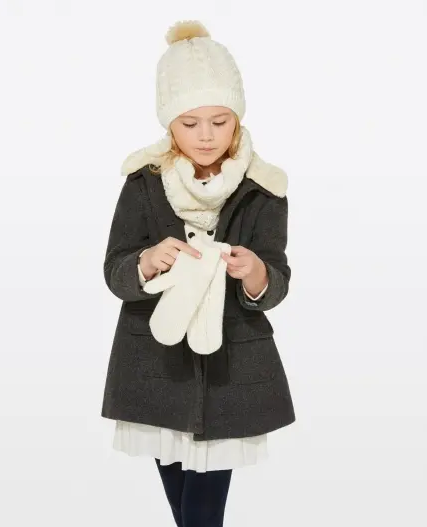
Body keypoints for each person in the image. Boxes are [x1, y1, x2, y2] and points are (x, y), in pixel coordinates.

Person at [101, 19, 296, 527]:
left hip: (231, 366)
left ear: (237, 119)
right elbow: (115, 269)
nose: (206, 135)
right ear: (169, 123)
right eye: (190, 123)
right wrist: (146, 261)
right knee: (184, 504)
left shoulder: (264, 188)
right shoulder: (144, 182)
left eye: (219, 120)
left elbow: (276, 279)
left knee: (204, 507)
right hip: (156, 363)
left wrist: (255, 272)